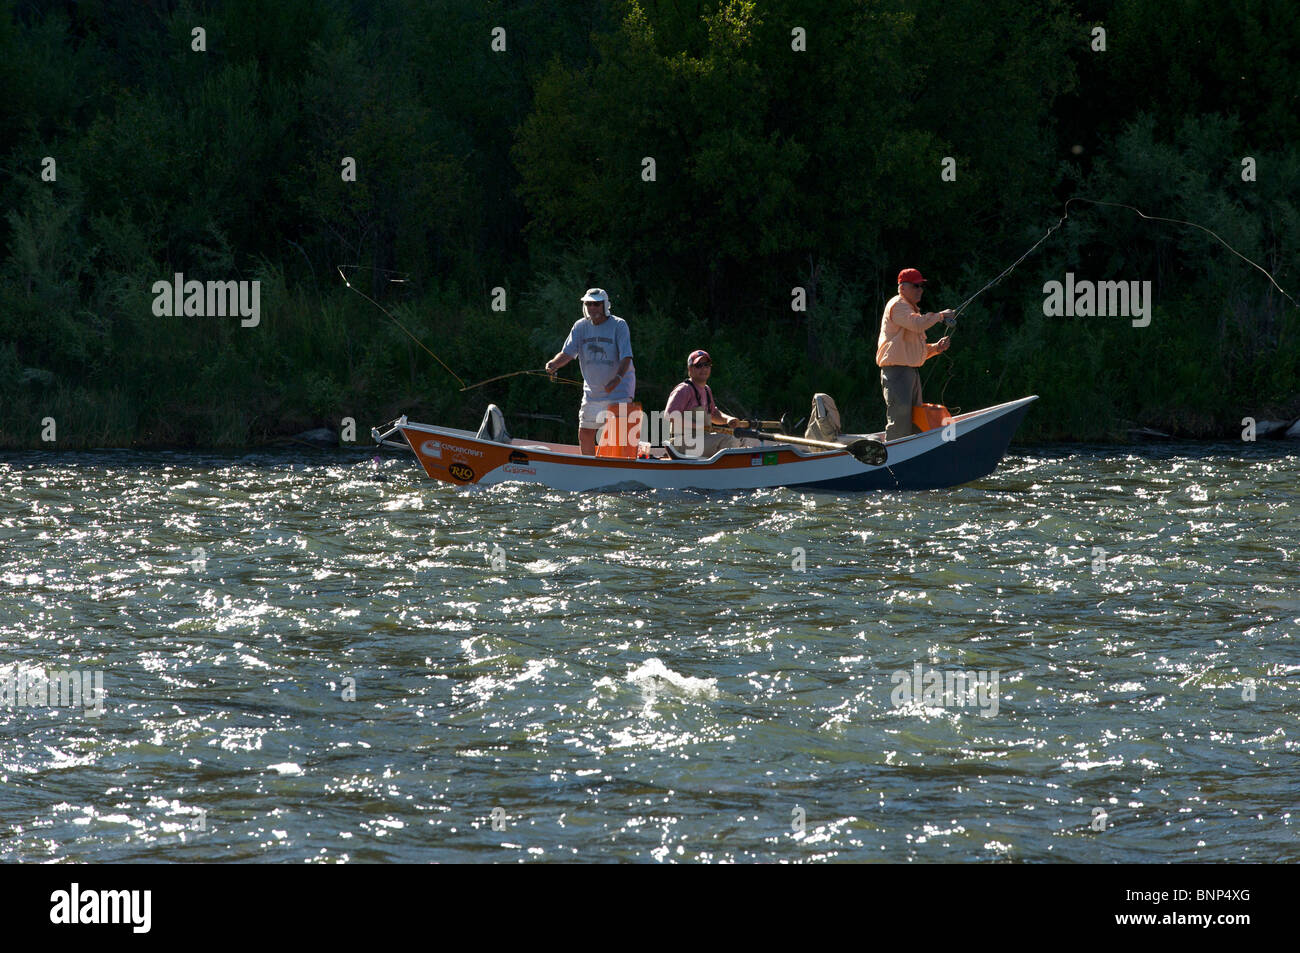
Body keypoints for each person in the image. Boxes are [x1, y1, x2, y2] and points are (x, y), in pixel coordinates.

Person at [544, 288, 636, 455]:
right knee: (585, 432)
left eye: (596, 304)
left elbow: (626, 357)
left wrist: (616, 379)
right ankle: (588, 467)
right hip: (592, 392)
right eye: (588, 304)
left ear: (605, 305)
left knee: (614, 439)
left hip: (619, 392)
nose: (592, 308)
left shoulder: (619, 325)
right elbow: (568, 353)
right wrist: (554, 363)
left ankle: (616, 467)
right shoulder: (580, 326)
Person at [876, 267, 955, 440]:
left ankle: (907, 453)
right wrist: (941, 316)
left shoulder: (911, 310)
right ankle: (892, 457)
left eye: (921, 286)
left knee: (914, 419)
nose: (920, 290)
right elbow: (917, 324)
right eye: (916, 285)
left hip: (910, 373)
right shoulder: (898, 305)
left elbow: (913, 350)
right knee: (900, 419)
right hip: (896, 373)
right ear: (902, 287)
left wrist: (936, 348)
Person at [662, 349, 757, 456]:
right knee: (729, 440)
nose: (704, 368)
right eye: (699, 365)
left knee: (741, 437)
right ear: (690, 369)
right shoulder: (683, 389)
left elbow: (713, 414)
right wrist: (696, 425)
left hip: (701, 439)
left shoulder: (707, 390)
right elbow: (669, 415)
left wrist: (728, 419)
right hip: (681, 442)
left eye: (707, 365)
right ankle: (726, 470)